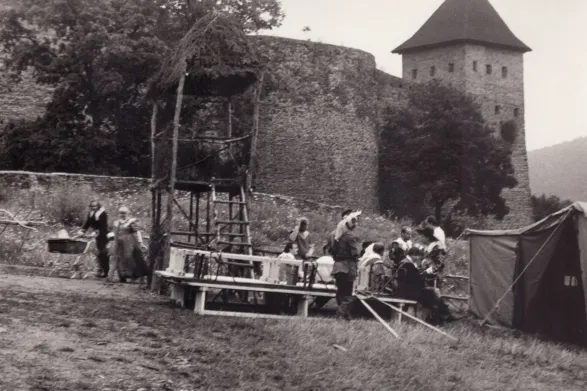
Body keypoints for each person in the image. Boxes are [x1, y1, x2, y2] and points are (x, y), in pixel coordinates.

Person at [395, 247, 453, 324]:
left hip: (405, 290)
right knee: (435, 292)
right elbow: (417, 279)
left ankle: (442, 316)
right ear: (413, 255)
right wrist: (426, 272)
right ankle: (442, 316)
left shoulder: (403, 262)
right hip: (410, 293)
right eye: (418, 255)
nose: (419, 258)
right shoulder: (408, 264)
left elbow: (413, 277)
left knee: (434, 294)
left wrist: (423, 273)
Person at [330, 210, 362, 320]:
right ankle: (340, 313)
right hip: (347, 268)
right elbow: (356, 253)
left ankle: (346, 316)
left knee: (341, 292)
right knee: (348, 294)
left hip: (337, 267)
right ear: (352, 224)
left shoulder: (337, 237)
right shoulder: (352, 236)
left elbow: (331, 251)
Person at [107, 206, 150, 283]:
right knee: (118, 259)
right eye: (121, 213)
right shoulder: (116, 222)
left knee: (129, 258)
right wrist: (111, 241)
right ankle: (121, 276)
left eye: (124, 213)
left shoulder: (131, 222)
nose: (122, 215)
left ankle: (134, 276)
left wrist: (141, 242)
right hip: (118, 243)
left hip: (129, 242)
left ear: (128, 213)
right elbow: (115, 233)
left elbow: (137, 231)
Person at [77, 200, 110, 278]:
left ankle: (106, 271)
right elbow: (87, 223)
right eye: (92, 206)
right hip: (96, 235)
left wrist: (97, 232)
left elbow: (103, 226)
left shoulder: (103, 213)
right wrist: (82, 230)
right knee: (97, 253)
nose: (93, 207)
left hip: (103, 234)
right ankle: (100, 269)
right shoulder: (91, 213)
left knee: (103, 253)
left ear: (98, 206)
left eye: (95, 206)